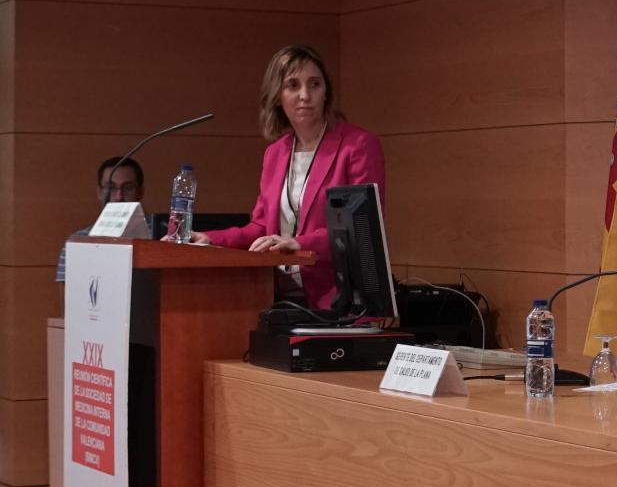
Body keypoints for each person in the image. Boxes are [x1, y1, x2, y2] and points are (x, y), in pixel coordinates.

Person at [192, 44, 385, 312]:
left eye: (314, 84)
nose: (305, 95)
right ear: (276, 96)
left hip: (337, 301)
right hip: (277, 296)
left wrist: (299, 244)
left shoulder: (358, 146)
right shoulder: (275, 153)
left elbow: (361, 230)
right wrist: (210, 240)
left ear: (326, 92)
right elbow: (262, 228)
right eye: (293, 85)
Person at [57, 157, 146, 283]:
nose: (119, 197)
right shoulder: (78, 242)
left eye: (127, 187)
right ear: (99, 192)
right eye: (111, 187)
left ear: (140, 192)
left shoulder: (159, 239)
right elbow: (67, 294)